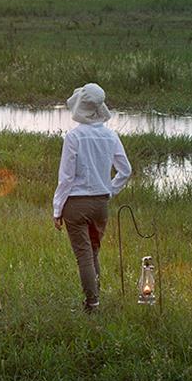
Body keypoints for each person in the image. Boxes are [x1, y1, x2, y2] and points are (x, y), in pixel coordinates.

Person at [52, 83, 132, 313]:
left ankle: (92, 303)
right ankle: (94, 298)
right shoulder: (110, 135)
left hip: (76, 205)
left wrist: (57, 209)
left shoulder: (74, 137)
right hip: (101, 204)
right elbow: (125, 170)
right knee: (93, 252)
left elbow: (66, 178)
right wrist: (109, 190)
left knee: (84, 256)